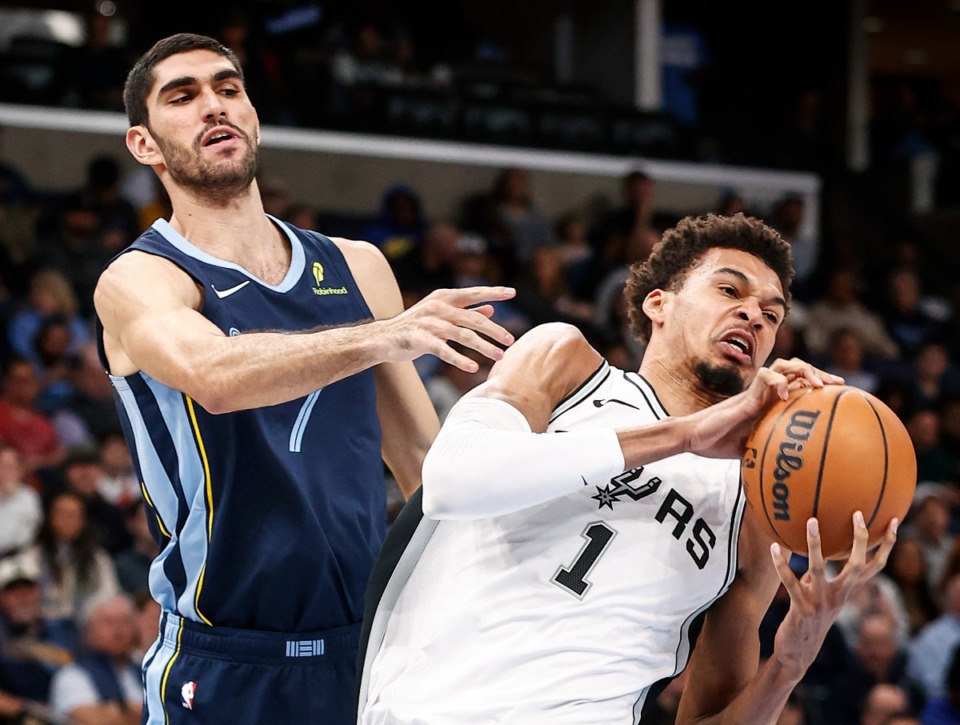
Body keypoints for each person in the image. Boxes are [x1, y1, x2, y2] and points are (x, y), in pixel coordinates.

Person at [92, 33, 515, 725]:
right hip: (225, 657)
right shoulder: (141, 278)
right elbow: (213, 375)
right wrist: (386, 333)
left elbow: (423, 466)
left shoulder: (357, 266)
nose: (214, 106)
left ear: (253, 114)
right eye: (184, 95)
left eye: (229, 89)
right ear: (144, 145)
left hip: (365, 647)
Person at [357, 212, 899, 723]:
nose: (754, 315)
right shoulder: (567, 364)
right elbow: (451, 482)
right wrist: (685, 435)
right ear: (658, 304)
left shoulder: (751, 507)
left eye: (773, 314)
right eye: (729, 290)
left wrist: (790, 661)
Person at [48, 592, 142, 725]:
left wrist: (120, 711)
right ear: (88, 630)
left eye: (125, 621)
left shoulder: (146, 671)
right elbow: (94, 720)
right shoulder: (71, 676)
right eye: (108, 622)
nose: (118, 631)